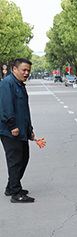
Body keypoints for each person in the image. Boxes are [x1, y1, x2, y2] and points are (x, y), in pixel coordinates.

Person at [0, 58, 35, 203]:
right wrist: (12, 125)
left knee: (24, 158)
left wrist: (29, 129)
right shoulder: (6, 84)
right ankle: (16, 193)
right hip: (10, 131)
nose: (26, 73)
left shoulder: (20, 85)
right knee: (15, 161)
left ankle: (11, 186)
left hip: (21, 130)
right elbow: (5, 107)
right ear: (14, 69)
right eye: (23, 70)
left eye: (28, 70)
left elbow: (24, 110)